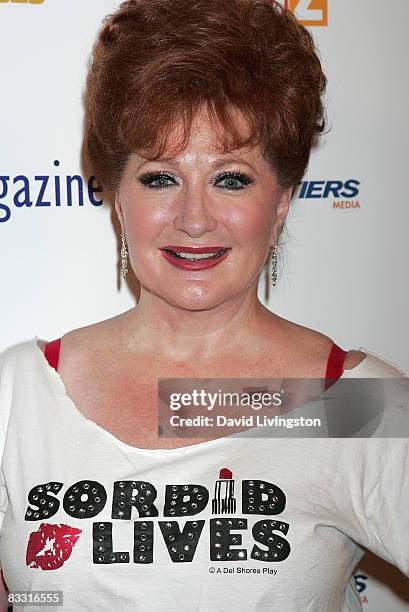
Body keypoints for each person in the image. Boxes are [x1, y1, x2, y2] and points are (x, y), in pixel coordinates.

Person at [0, 0, 408, 610]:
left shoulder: (352, 404)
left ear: (281, 203)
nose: (194, 220)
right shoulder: (19, 394)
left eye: (232, 177)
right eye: (160, 177)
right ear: (118, 199)